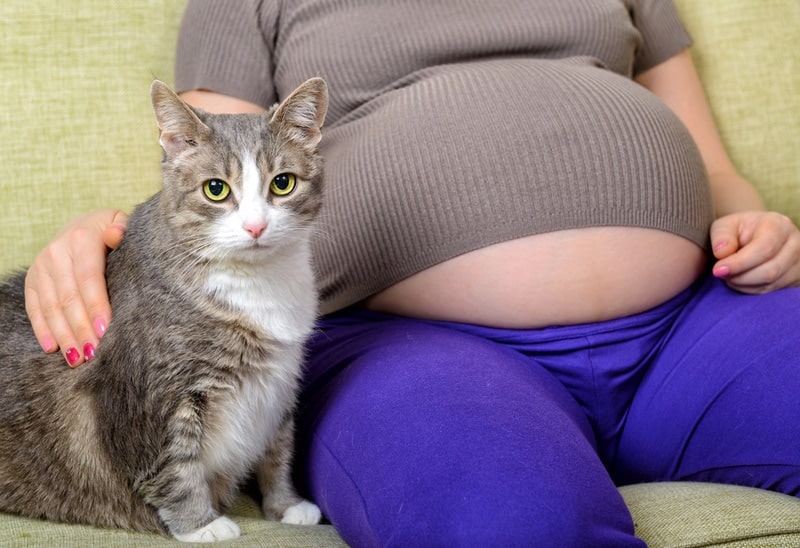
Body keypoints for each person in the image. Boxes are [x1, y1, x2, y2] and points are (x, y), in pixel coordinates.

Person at [23, 0, 800, 545]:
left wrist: (755, 220)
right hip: (412, 347)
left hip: (696, 322)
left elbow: (716, 167)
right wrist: (104, 240)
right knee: (506, 527)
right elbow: (204, 173)